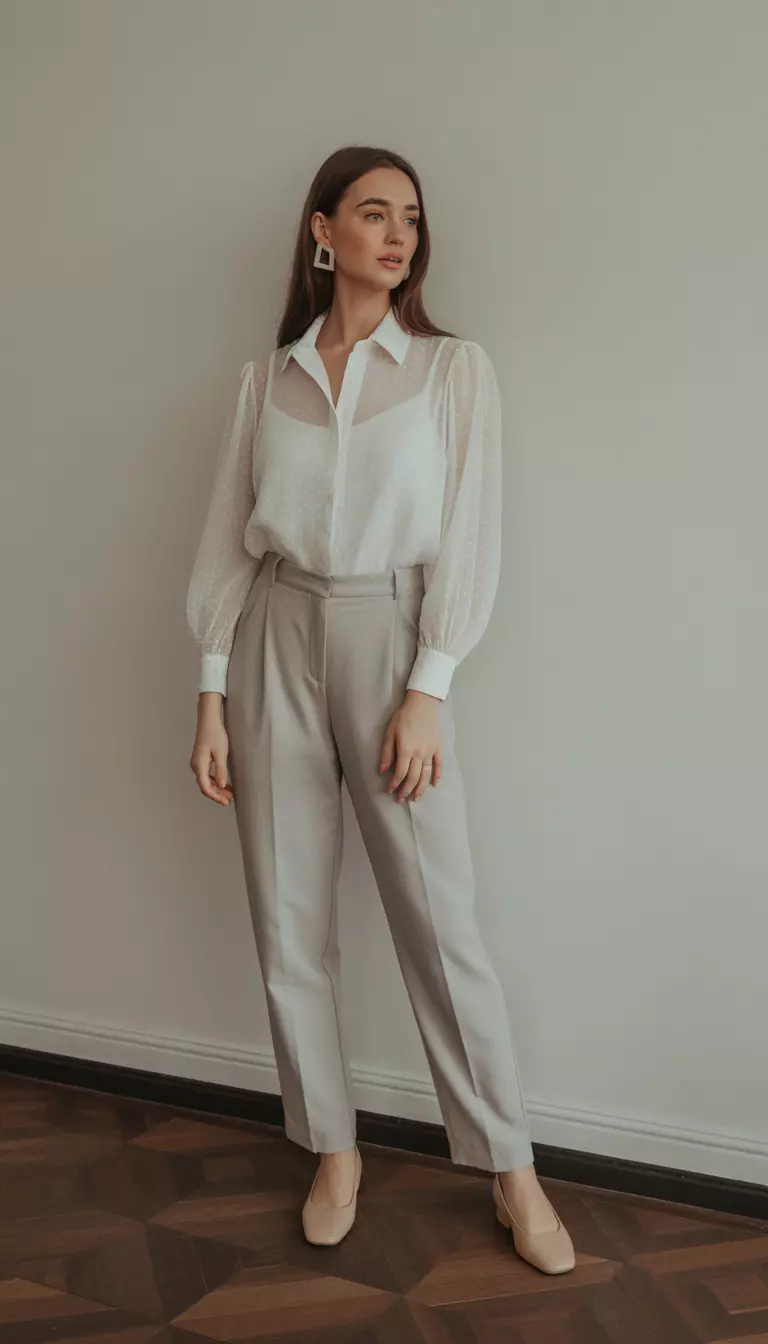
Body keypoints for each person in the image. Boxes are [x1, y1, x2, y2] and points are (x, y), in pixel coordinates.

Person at [186, 144, 575, 1274]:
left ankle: (512, 1168)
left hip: (393, 639)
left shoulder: (455, 372)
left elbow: (470, 536)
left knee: (441, 925)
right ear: (323, 232)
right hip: (274, 634)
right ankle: (333, 1148)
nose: (397, 234)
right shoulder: (267, 381)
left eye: (410, 216)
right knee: (287, 921)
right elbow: (224, 542)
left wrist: (428, 687)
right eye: (372, 213)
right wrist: (211, 693)